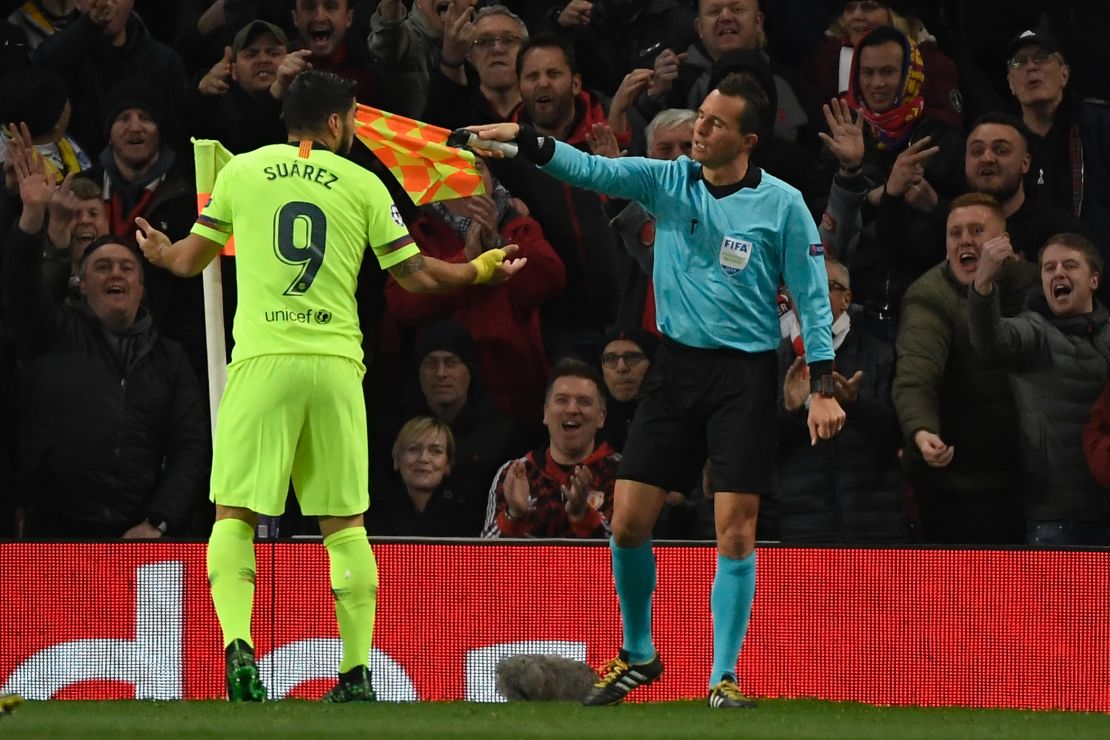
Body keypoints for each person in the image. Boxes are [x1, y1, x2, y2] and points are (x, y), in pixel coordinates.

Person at [133, 70, 524, 703]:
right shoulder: (365, 183)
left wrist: (157, 253)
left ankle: (239, 648)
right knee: (344, 525)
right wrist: (479, 268)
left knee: (233, 513)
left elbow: (187, 261)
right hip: (337, 365)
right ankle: (357, 672)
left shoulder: (242, 172)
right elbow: (418, 277)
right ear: (339, 124)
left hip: (264, 361)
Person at [468, 70, 844, 708]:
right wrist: (519, 139)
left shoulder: (782, 203)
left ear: (747, 140)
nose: (701, 129)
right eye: (701, 116)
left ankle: (723, 676)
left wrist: (823, 383)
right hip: (674, 371)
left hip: (744, 377)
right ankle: (639, 653)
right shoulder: (669, 181)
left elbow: (811, 297)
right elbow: (592, 172)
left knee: (735, 532)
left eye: (716, 123)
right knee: (628, 527)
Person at [3, 126, 210, 539]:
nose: (116, 272)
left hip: (145, 537)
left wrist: (159, 520)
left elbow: (192, 449)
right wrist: (31, 218)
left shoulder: (169, 358)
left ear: (140, 285)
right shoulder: (54, 334)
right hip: (55, 534)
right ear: (81, 283)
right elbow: (21, 289)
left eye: (126, 267)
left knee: (158, 610)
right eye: (102, 266)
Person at [893, 193, 1037, 545]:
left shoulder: (1032, 285)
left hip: (1029, 480)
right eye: (955, 233)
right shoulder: (929, 295)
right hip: (955, 482)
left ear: (1004, 244)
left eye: (976, 230)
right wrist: (921, 429)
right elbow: (916, 372)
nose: (965, 241)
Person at [383, 156, 565, 424]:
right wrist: (465, 261)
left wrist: (498, 244)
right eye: (455, 168)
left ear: (492, 180)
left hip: (515, 389)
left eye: (477, 167)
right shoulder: (420, 232)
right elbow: (403, 302)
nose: (468, 176)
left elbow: (551, 282)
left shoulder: (519, 225)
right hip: (442, 396)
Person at [969, 232, 1110, 545]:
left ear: (1094, 280)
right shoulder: (1032, 331)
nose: (1058, 273)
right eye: (1049, 268)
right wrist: (982, 286)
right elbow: (990, 342)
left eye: (1070, 265)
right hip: (1056, 519)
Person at [777, 259, 906, 543]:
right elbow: (758, 446)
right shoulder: (776, 361)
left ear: (846, 299)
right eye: (800, 288)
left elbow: (897, 434)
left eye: (820, 288)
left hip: (874, 523)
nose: (807, 297)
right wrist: (790, 410)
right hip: (801, 525)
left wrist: (856, 404)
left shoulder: (880, 355)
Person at [378, 319, 525, 534]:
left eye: (451, 362)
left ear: (470, 370)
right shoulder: (393, 428)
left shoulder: (501, 435)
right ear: (418, 372)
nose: (440, 373)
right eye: (431, 363)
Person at [481, 358, 620, 539]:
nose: (572, 409)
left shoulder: (622, 473)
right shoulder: (515, 473)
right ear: (546, 413)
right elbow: (485, 559)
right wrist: (513, 516)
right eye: (561, 400)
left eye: (584, 402)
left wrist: (584, 516)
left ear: (601, 417)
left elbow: (629, 554)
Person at [32, 0, 189, 154]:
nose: (106, 4)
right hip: (81, 172)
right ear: (77, 2)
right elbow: (38, 72)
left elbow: (178, 139)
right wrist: (90, 25)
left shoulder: (164, 62)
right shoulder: (61, 55)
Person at [1006, 24, 1110, 256]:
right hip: (1029, 273)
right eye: (1019, 62)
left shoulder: (1099, 126)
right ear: (1011, 84)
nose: (1031, 67)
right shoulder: (1003, 142)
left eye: (1042, 58)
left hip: (1097, 269)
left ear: (1064, 74)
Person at [420, 3, 527, 131]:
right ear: (469, 56)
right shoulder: (454, 108)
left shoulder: (544, 106)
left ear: (527, 51)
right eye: (483, 42)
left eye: (509, 40)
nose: (497, 49)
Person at [370, 416, 472, 537]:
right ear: (396, 460)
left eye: (436, 451)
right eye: (413, 449)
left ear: (448, 464)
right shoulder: (374, 511)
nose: (423, 459)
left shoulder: (468, 514)